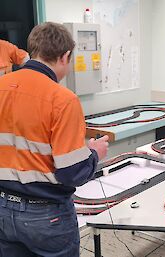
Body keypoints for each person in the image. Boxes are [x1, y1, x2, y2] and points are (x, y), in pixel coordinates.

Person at [0, 22, 109, 257]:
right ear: (65, 56)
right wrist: (94, 154)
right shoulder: (62, 99)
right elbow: (72, 172)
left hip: (2, 210)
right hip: (46, 215)